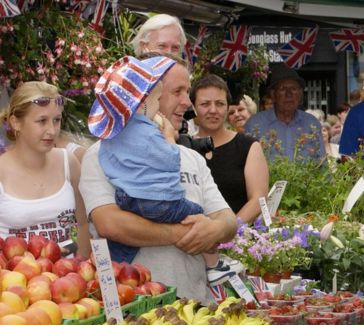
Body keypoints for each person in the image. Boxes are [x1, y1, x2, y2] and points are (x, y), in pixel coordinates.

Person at [80, 55, 237, 302]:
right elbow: (109, 223)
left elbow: (227, 219)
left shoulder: (190, 157)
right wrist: (185, 235)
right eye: (177, 92)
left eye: (188, 92)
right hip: (134, 309)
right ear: (146, 97)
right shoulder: (102, 154)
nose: (187, 102)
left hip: (196, 307)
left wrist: (215, 229)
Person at [0, 81, 90, 256]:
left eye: (56, 120)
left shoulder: (68, 162)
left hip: (68, 279)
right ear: (16, 123)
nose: (52, 130)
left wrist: (81, 269)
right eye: (42, 121)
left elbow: (83, 224)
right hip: (14, 280)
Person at [190, 74, 269, 224]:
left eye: (220, 104)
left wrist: (225, 232)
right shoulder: (183, 147)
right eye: (205, 104)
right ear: (193, 108)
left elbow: (258, 199)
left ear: (227, 107)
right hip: (191, 240)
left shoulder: (248, 146)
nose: (213, 110)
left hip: (237, 240)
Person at [245, 64, 324, 161]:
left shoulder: (311, 123)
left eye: (293, 89)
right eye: (282, 89)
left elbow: (322, 164)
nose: (289, 94)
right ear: (273, 95)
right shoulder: (255, 124)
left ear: (300, 95)